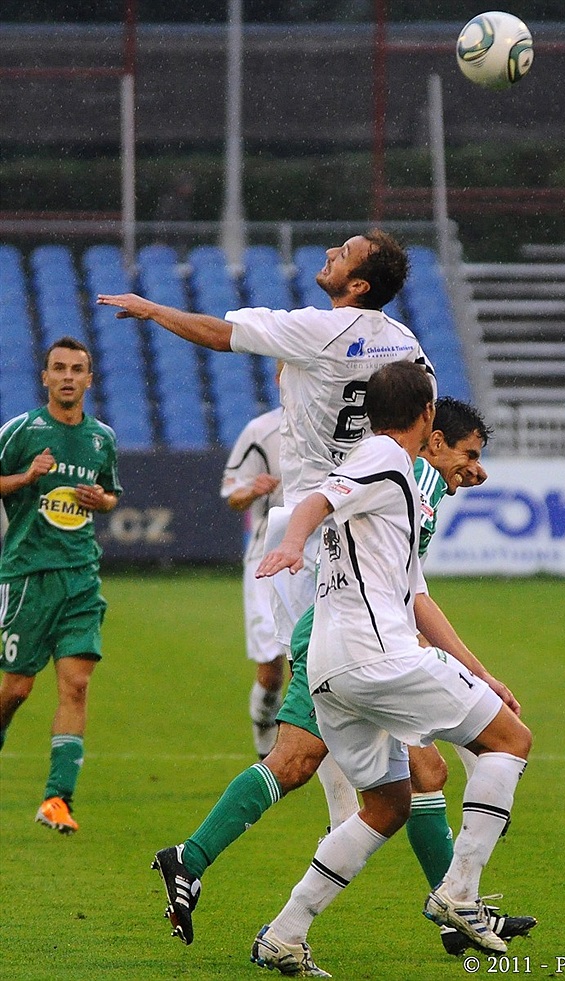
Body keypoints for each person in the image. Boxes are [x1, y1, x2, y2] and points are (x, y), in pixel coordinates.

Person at [148, 392, 534, 956]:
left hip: (344, 634)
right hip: (354, 639)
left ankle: (433, 912)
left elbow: (405, 588)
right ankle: (456, 902)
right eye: (470, 455)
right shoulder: (410, 474)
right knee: (319, 765)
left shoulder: (403, 476)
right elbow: (373, 566)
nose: (477, 471)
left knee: (394, 785)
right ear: (432, 435)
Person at [98, 229, 434, 828]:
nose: (329, 253)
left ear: (358, 284)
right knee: (384, 660)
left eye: (343, 254)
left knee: (318, 680)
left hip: (312, 524)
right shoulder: (404, 341)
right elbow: (425, 409)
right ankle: (411, 804)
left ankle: (347, 813)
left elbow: (220, 334)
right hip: (372, 519)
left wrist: (151, 309)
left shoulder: (318, 329)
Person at [250, 362, 532, 975]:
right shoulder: (383, 457)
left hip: (332, 667)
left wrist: (481, 675)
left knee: (387, 804)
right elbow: (317, 502)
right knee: (510, 740)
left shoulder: (391, 475)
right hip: (375, 656)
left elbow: (415, 594)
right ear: (428, 416)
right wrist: (292, 543)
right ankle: (460, 893)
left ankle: (284, 933)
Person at [0, 336, 122, 834]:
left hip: (80, 577)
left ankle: (56, 799)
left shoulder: (101, 438)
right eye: (59, 368)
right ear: (45, 377)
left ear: (89, 379)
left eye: (77, 369)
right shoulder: (21, 431)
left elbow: (111, 494)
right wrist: (27, 477)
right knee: (16, 689)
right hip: (28, 575)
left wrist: (101, 501)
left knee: (77, 685)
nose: (68, 376)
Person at [221, 386, 285, 758]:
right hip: (267, 560)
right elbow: (233, 496)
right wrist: (252, 490)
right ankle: (264, 738)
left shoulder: (339, 427)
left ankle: (320, 762)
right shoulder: (261, 431)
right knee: (272, 670)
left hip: (322, 558)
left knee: (316, 668)